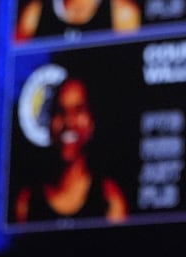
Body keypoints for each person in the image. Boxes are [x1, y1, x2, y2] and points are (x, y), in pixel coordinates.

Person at [14, 75, 129, 224]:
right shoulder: (27, 201)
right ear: (49, 124)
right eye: (60, 111)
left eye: (78, 110)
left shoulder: (110, 199)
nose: (68, 121)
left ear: (91, 122)